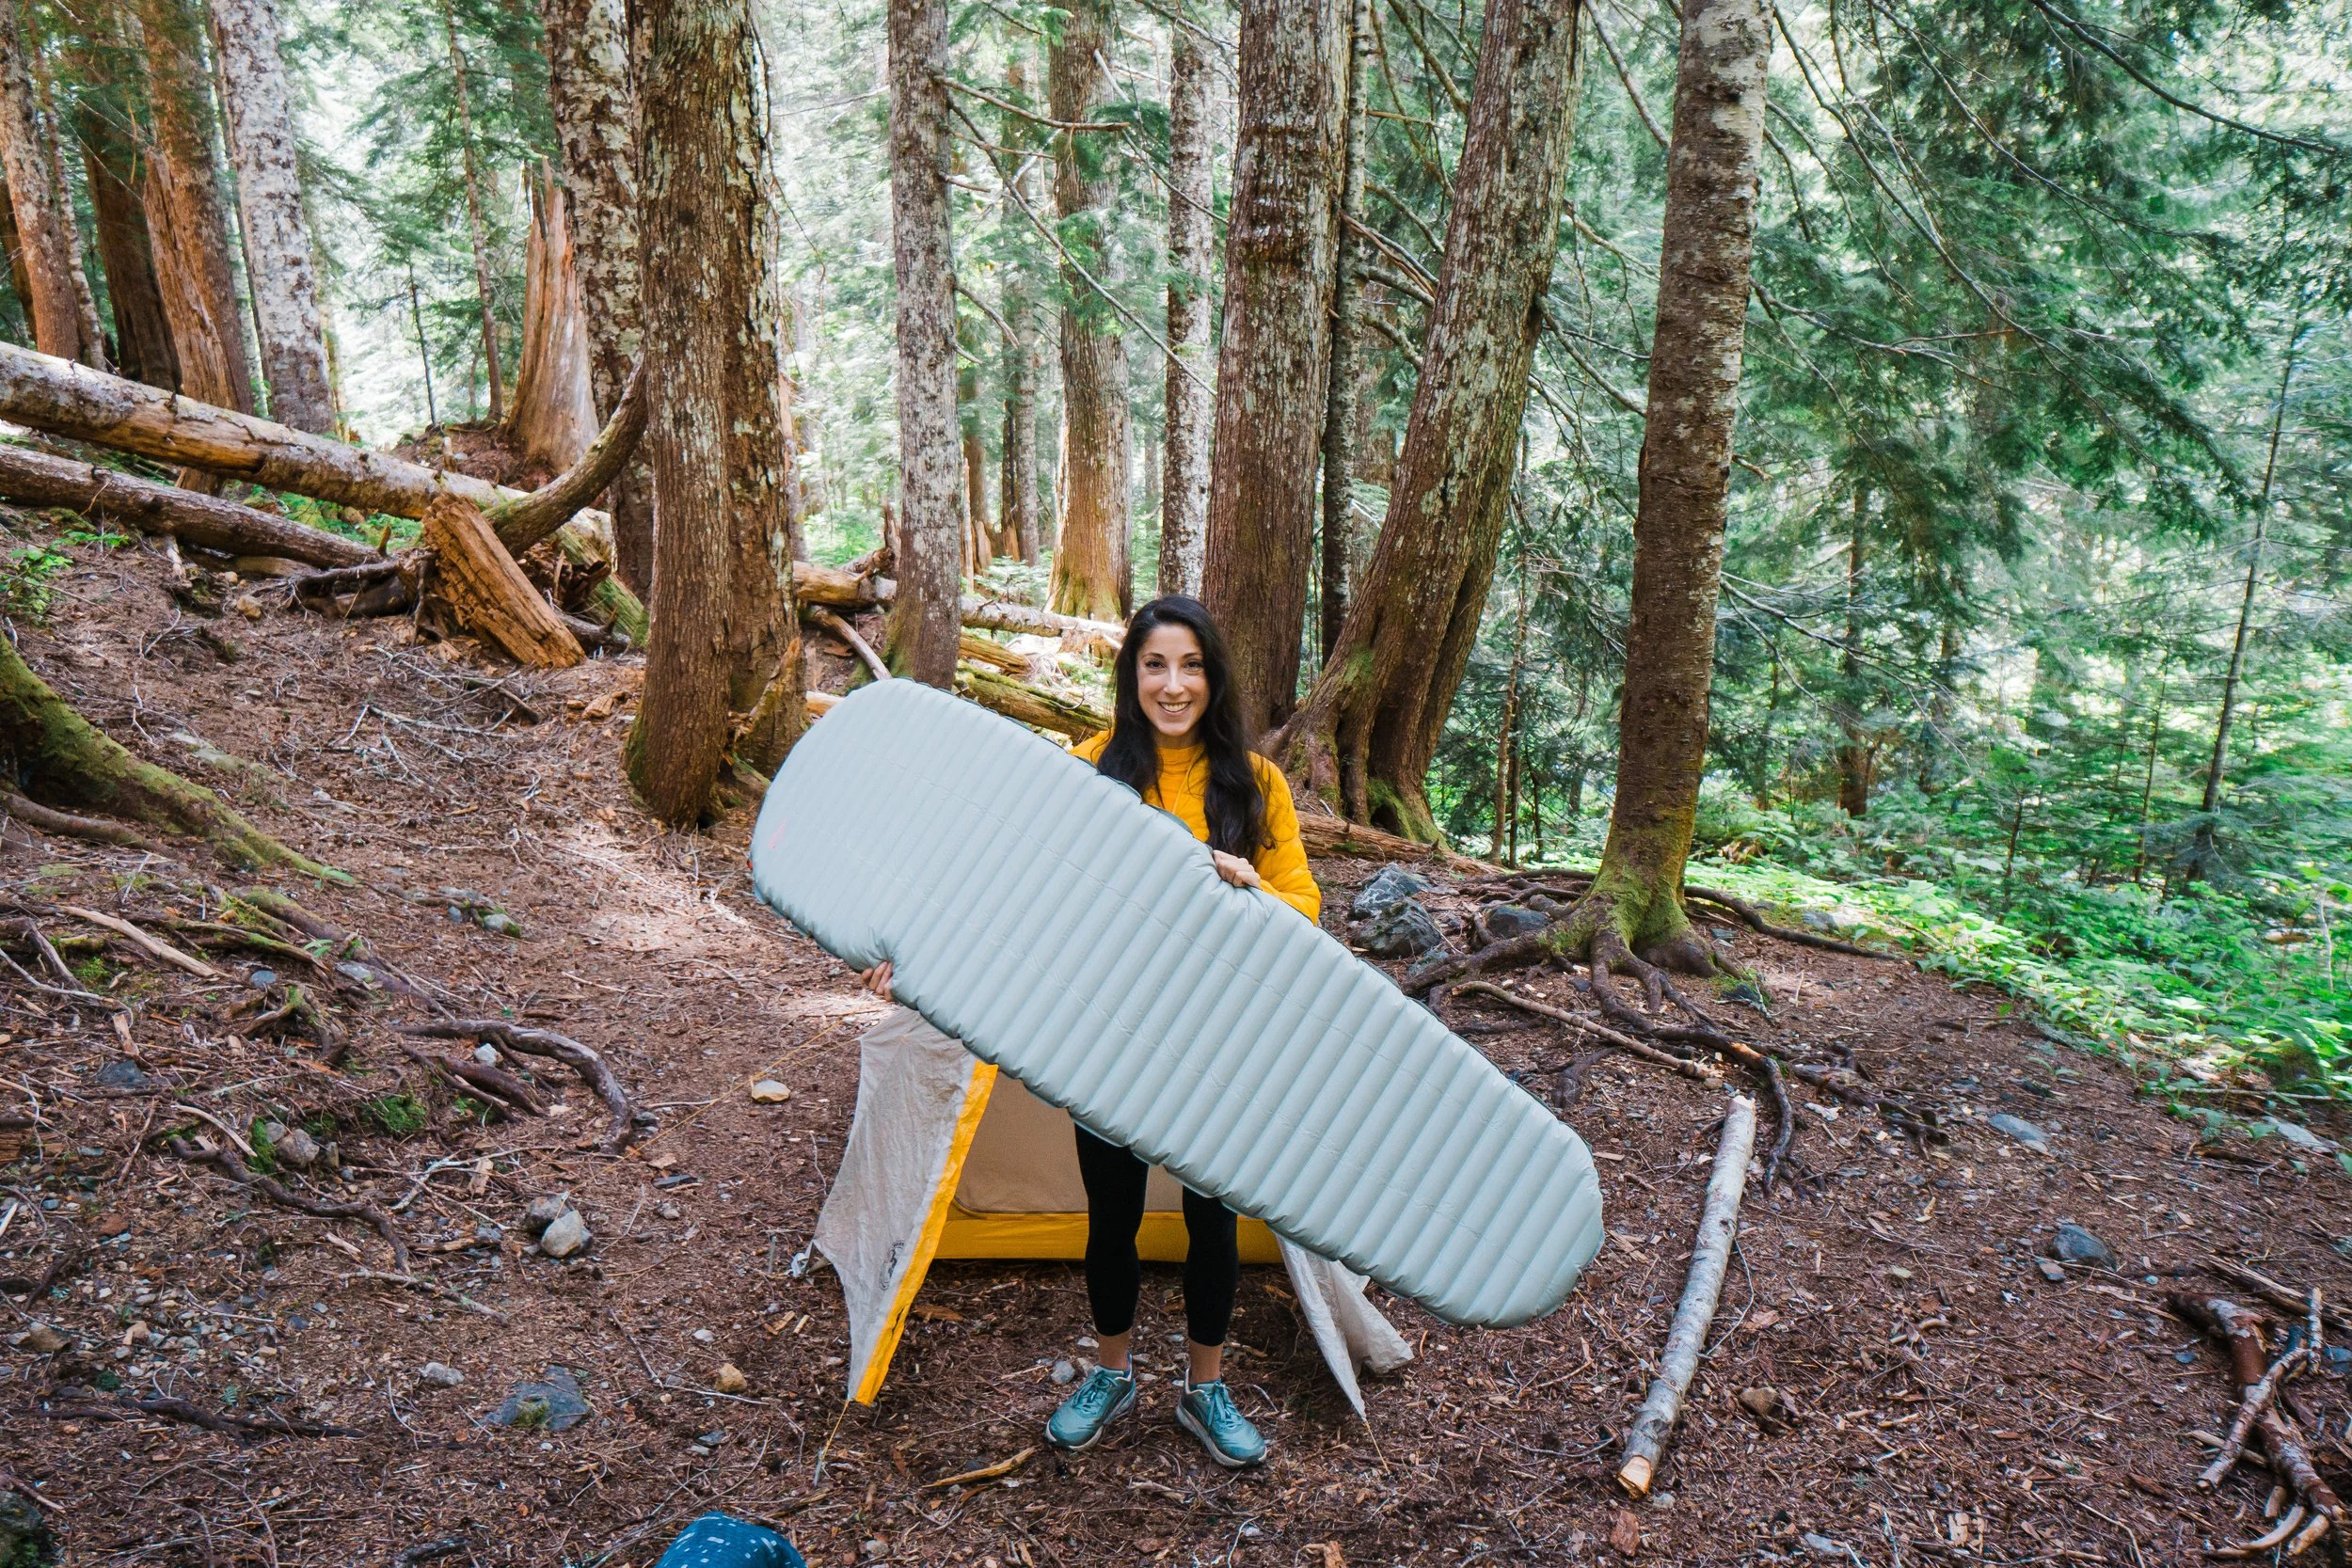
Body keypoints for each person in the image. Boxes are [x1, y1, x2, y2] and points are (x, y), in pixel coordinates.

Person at [856, 595, 1318, 1468]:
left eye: (1191, 665)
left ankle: (1205, 1388)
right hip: (1110, 1034)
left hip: (1217, 1039)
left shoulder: (1255, 782)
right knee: (1113, 1213)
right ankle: (1111, 1371)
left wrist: (1248, 885)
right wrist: (906, 958)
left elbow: (1304, 908)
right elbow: (1009, 887)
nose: (1173, 685)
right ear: (1131, 675)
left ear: (1214, 677)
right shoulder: (1089, 768)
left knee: (1212, 1218)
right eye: (1155, 665)